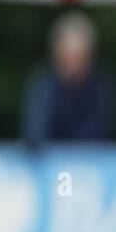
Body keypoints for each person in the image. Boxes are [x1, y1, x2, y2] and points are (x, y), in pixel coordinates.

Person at [22, 12, 112, 144]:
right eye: (69, 57)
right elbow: (35, 134)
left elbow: (98, 135)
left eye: (80, 58)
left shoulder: (101, 86)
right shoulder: (43, 85)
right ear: (57, 55)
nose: (74, 66)